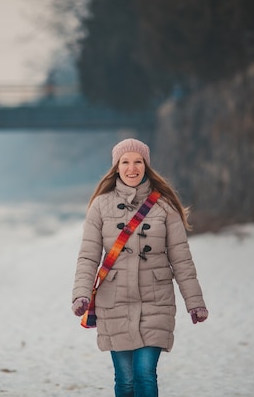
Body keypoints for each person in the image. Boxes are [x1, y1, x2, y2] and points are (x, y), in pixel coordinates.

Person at [71, 138, 208, 397]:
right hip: (114, 302)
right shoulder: (101, 205)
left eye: (137, 161)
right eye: (125, 162)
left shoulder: (165, 206)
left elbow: (181, 259)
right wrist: (80, 293)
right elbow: (88, 256)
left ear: (146, 165)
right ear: (116, 167)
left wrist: (195, 302)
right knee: (125, 380)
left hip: (155, 300)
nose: (131, 168)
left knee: (145, 374)